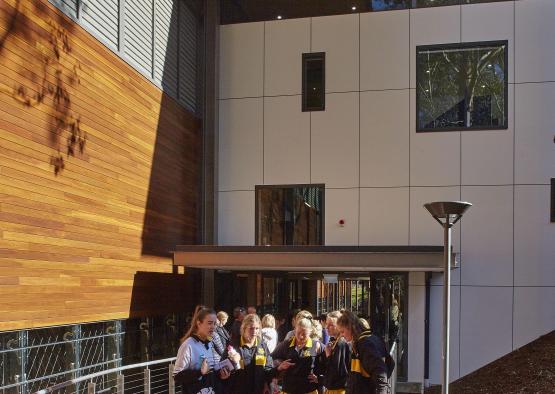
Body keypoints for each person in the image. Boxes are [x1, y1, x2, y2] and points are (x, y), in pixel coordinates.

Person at [173, 307, 230, 393]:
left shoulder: (209, 343)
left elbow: (208, 373)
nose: (213, 327)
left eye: (214, 324)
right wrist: (199, 372)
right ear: (199, 323)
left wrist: (221, 375)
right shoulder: (188, 345)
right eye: (209, 323)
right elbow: (177, 376)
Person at [226, 314, 286, 394]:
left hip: (258, 390)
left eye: (257, 328)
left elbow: (268, 370)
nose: (254, 331)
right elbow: (224, 370)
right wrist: (232, 362)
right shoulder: (234, 345)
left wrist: (278, 368)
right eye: (251, 328)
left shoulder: (262, 345)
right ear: (244, 329)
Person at [336, 311, 391, 394]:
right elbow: (390, 364)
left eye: (342, 331)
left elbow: (381, 374)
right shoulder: (369, 339)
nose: (341, 335)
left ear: (350, 327)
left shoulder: (365, 344)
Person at [272, 317, 323, 394]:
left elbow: (328, 364)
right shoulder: (286, 344)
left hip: (309, 390)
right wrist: (280, 365)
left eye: (304, 334)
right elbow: (271, 358)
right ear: (294, 330)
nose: (300, 336)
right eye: (298, 333)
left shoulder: (316, 345)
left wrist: (319, 378)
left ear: (310, 331)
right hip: (289, 389)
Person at [320, 311, 351, 394]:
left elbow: (338, 371)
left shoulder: (341, 343)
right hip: (332, 388)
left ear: (339, 326)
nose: (327, 327)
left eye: (331, 325)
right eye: (326, 324)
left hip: (338, 389)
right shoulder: (334, 341)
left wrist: (328, 356)